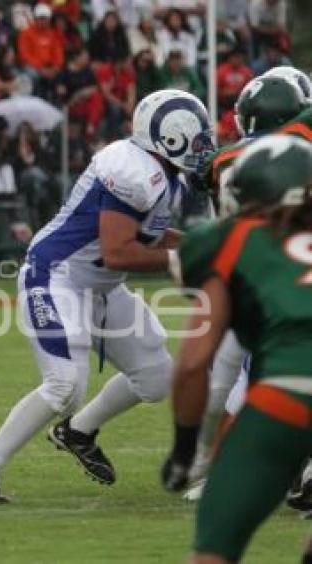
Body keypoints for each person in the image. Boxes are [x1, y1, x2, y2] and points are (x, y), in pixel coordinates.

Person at [0, 89, 214, 502]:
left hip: (101, 286)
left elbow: (148, 234)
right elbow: (118, 251)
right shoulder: (130, 169)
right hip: (58, 277)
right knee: (63, 386)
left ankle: (77, 431)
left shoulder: (162, 175)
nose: (204, 147)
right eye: (197, 138)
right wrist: (180, 260)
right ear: (168, 136)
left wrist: (208, 242)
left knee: (159, 377)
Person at [160, 134, 312, 564]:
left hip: (287, 392)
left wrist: (185, 449)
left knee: (214, 551)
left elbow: (192, 364)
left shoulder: (232, 238)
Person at [181, 75, 311, 504]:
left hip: (236, 275)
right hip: (286, 275)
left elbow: (203, 175)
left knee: (226, 380)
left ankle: (207, 469)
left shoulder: (222, 159)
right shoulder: (295, 147)